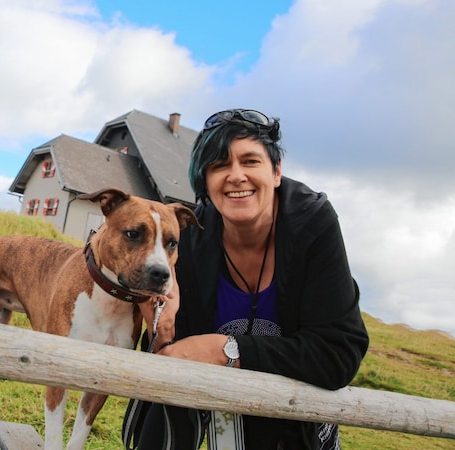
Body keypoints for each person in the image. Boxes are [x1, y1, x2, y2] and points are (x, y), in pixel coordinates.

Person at [131, 108, 370, 450]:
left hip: (296, 418)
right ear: (204, 181)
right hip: (217, 417)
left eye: (250, 161)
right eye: (219, 165)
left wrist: (228, 350)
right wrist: (161, 326)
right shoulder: (191, 238)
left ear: (276, 172)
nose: (236, 176)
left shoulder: (313, 224)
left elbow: (338, 355)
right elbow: (174, 355)